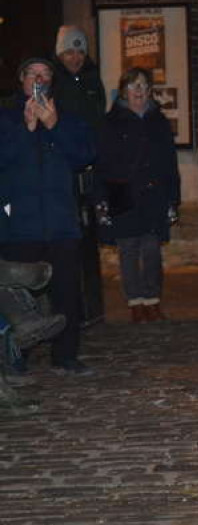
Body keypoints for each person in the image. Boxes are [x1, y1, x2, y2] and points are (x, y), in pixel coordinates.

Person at [0, 58, 96, 374]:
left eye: (45, 75)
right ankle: (17, 356)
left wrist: (54, 126)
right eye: (33, 74)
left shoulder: (69, 119)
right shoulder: (6, 119)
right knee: (18, 295)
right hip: (21, 225)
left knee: (66, 292)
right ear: (22, 79)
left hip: (60, 223)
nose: (39, 80)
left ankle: (65, 356)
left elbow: (84, 156)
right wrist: (27, 129)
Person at [96, 67, 181, 323]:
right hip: (122, 191)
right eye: (134, 87)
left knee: (152, 248)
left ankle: (152, 299)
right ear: (124, 91)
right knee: (129, 250)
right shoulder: (111, 122)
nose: (139, 92)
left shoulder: (159, 121)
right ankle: (135, 302)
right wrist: (101, 198)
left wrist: (173, 198)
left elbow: (169, 162)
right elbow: (102, 162)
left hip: (154, 192)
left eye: (144, 86)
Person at [51, 25, 108, 326]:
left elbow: (97, 120)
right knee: (68, 240)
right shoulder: (55, 83)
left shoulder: (90, 80)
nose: (75, 57)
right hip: (65, 170)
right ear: (60, 53)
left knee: (89, 239)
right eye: (69, 51)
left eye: (80, 51)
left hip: (90, 168)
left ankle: (92, 308)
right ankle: (71, 310)